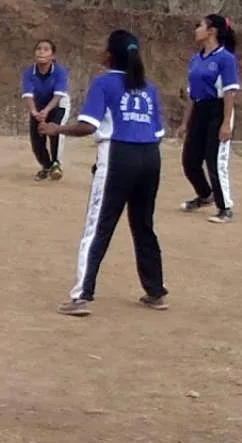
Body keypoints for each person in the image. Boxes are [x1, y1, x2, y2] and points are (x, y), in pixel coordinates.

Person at [38, 29, 168, 317]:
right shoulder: (147, 87)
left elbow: (88, 125)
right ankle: (155, 290)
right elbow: (158, 132)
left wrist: (56, 129)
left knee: (98, 225)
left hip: (118, 156)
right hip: (150, 157)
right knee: (143, 224)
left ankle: (81, 294)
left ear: (110, 55)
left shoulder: (104, 83)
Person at [178, 13, 238, 223]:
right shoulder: (196, 59)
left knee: (214, 160)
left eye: (200, 26)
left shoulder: (225, 59)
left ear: (211, 31)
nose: (196, 29)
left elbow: (229, 92)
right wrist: (186, 122)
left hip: (218, 110)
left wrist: (225, 123)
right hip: (200, 110)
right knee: (190, 160)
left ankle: (225, 207)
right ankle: (205, 195)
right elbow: (192, 94)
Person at [21, 39, 71, 181]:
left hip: (58, 104)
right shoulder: (29, 72)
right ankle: (46, 166)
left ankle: (56, 163)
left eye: (46, 49)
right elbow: (28, 95)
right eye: (39, 49)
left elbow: (58, 95)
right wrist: (35, 112)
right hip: (38, 106)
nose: (41, 52)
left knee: (54, 130)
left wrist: (47, 111)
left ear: (53, 56)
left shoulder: (60, 71)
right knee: (36, 138)